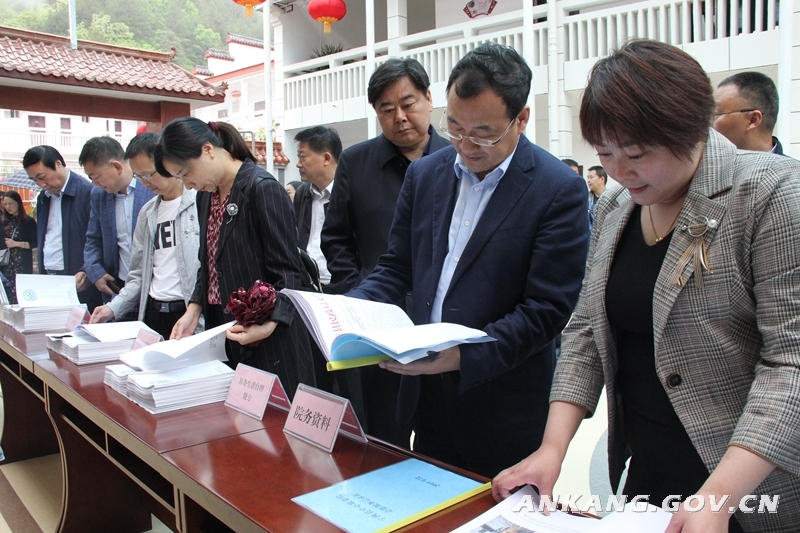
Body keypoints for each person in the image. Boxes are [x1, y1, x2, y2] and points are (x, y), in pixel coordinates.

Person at [493, 40, 800, 533]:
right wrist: (552, 448)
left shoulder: (772, 194)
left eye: (636, 154)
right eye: (605, 153)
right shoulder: (616, 208)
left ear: (692, 129)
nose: (618, 171)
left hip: (748, 485)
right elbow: (586, 331)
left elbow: (791, 363)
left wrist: (719, 497)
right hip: (650, 474)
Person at [348, 42, 589, 477]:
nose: (465, 144)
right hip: (427, 394)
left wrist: (462, 355)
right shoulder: (425, 174)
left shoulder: (557, 189)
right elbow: (397, 266)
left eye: (483, 133)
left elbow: (547, 310)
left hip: (502, 402)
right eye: (455, 127)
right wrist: (349, 311)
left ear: (521, 119)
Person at [321, 57, 450, 447]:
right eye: (386, 109)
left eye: (408, 104)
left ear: (429, 99)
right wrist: (356, 292)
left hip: (440, 327)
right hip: (376, 324)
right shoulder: (356, 162)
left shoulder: (457, 160)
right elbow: (336, 237)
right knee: (381, 436)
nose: (400, 117)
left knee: (440, 436)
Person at [157, 118, 314, 398]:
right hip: (224, 330)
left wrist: (270, 323)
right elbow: (207, 261)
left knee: (273, 417)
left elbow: (288, 272)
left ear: (208, 150)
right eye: (180, 179)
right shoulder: (206, 196)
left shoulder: (261, 187)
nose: (188, 184)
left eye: (185, 173)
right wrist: (194, 308)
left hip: (268, 335)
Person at [90, 133, 200, 339]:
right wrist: (114, 307)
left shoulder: (199, 204)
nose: (145, 183)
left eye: (149, 174)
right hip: (154, 312)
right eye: (139, 177)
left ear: (167, 163)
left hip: (188, 313)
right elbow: (138, 273)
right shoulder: (148, 213)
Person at [79, 137, 156, 309]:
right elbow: (93, 239)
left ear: (117, 166)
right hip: (118, 286)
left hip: (153, 288)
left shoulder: (152, 188)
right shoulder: (98, 196)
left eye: (96, 176)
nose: (94, 183)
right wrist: (95, 272)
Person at [24, 145, 102, 310]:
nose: (41, 184)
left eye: (42, 177)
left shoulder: (87, 192)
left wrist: (88, 270)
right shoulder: (43, 198)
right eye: (35, 180)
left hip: (78, 280)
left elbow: (98, 239)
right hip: (49, 278)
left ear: (58, 164)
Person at [293, 126, 341, 290]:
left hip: (341, 286)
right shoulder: (302, 193)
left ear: (326, 158)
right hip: (307, 285)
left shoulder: (351, 191)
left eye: (303, 157)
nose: (298, 164)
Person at [713, 71, 783, 154]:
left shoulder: (788, 163)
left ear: (753, 120)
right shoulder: (711, 160)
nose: (708, 124)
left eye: (715, 114)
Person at [0, 191, 37, 304]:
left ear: (18, 203)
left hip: (22, 263)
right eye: (5, 204)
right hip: (5, 263)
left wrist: (17, 244)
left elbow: (35, 242)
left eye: (10, 203)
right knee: (7, 294)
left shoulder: (28, 222)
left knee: (21, 293)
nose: (8, 207)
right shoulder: (3, 221)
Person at [586, 164, 607, 231]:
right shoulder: (585, 199)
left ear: (602, 179)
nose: (588, 180)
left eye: (591, 177)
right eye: (588, 177)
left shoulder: (611, 199)